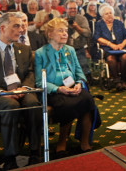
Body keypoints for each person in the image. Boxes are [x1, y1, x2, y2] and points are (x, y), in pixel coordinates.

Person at [0, 12, 42, 169]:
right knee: (10, 105)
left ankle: (34, 153)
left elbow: (30, 73)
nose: (21, 29)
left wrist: (25, 87)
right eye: (16, 26)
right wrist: (2, 92)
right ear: (2, 28)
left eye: (22, 26)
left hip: (21, 90)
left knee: (33, 103)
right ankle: (10, 157)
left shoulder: (24, 50)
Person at [35, 18, 96, 156]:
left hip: (72, 86)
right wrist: (59, 89)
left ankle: (85, 141)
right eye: (60, 31)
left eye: (66, 31)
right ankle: (62, 141)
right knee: (68, 104)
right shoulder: (40, 53)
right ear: (50, 34)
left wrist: (79, 83)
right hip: (54, 91)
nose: (65, 34)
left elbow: (79, 72)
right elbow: (39, 82)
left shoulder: (70, 50)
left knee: (87, 99)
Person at [93, 5, 126, 90]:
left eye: (111, 13)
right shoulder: (99, 24)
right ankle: (117, 80)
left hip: (120, 47)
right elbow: (97, 37)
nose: (109, 15)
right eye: (106, 14)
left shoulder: (118, 23)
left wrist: (122, 45)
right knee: (110, 59)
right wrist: (110, 44)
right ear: (102, 16)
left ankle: (123, 79)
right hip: (107, 48)